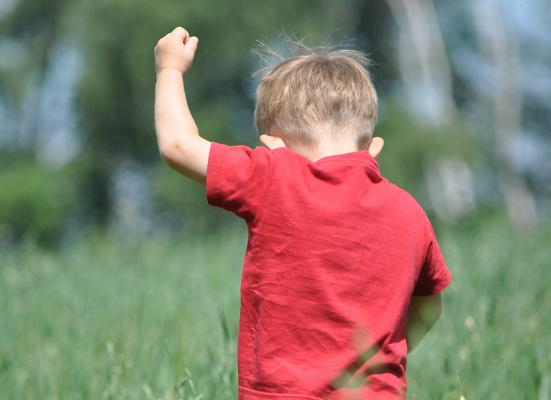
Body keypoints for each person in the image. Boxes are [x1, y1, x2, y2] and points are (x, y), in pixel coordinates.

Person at [154, 27, 451, 400]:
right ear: (373, 147)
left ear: (273, 145)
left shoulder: (275, 176)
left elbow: (178, 146)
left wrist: (169, 69)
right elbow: (430, 305)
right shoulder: (411, 212)